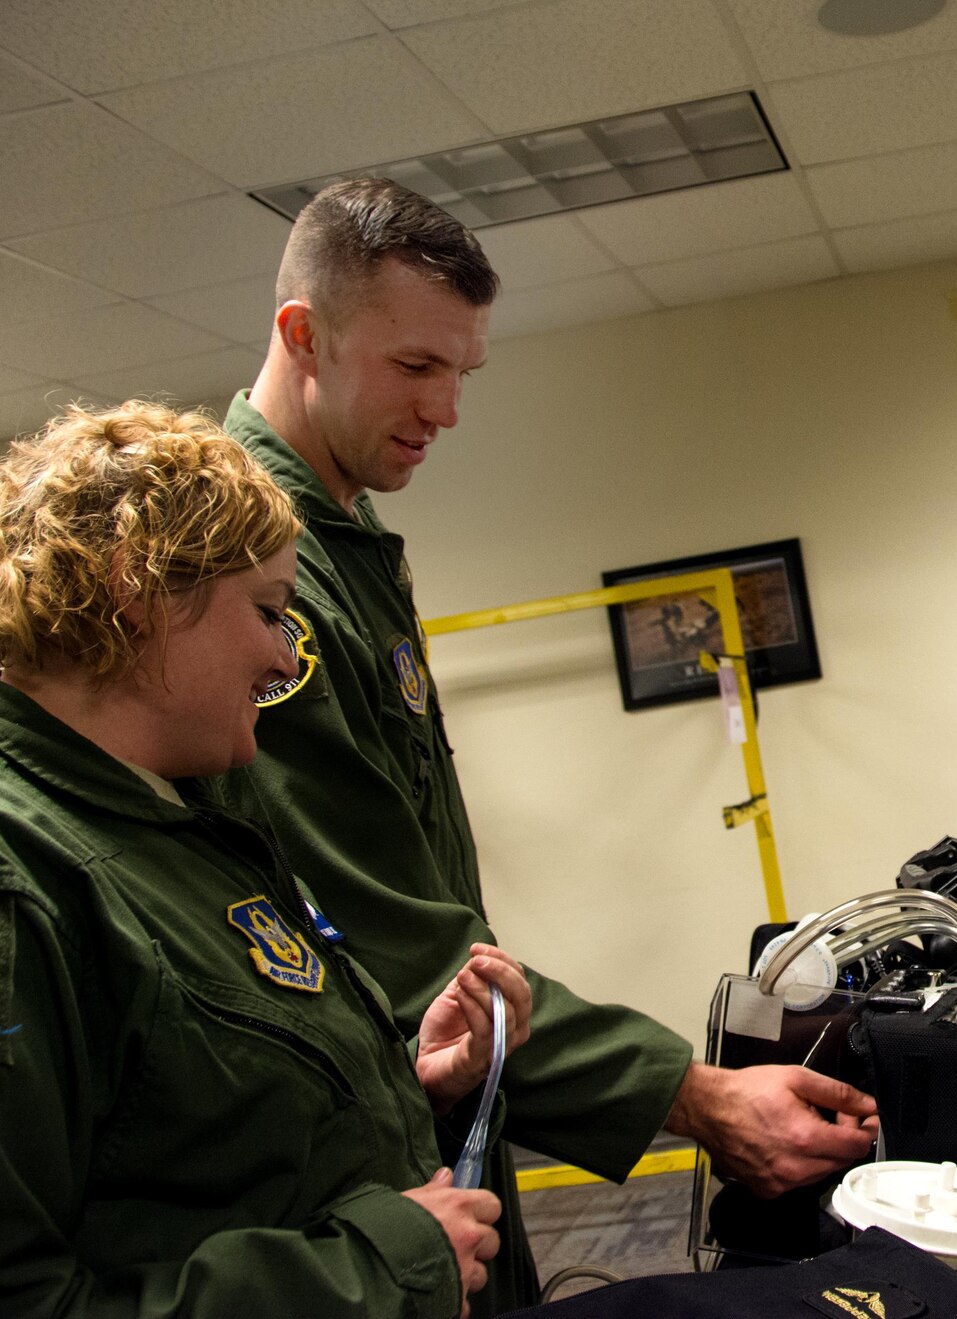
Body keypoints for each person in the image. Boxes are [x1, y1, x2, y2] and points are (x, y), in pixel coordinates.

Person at [213, 178, 876, 1307]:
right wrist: (694, 1094)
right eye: (416, 367)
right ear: (302, 335)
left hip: (439, 1101)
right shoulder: (263, 571)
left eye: (461, 374)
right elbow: (396, 939)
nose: (447, 410)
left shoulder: (347, 536)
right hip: (349, 1171)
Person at [0, 402, 535, 1318]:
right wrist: (378, 1271)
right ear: (143, 589)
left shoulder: (176, 810)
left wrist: (404, 1080)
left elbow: (178, 1142)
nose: (284, 653)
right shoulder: (27, 883)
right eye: (268, 611)